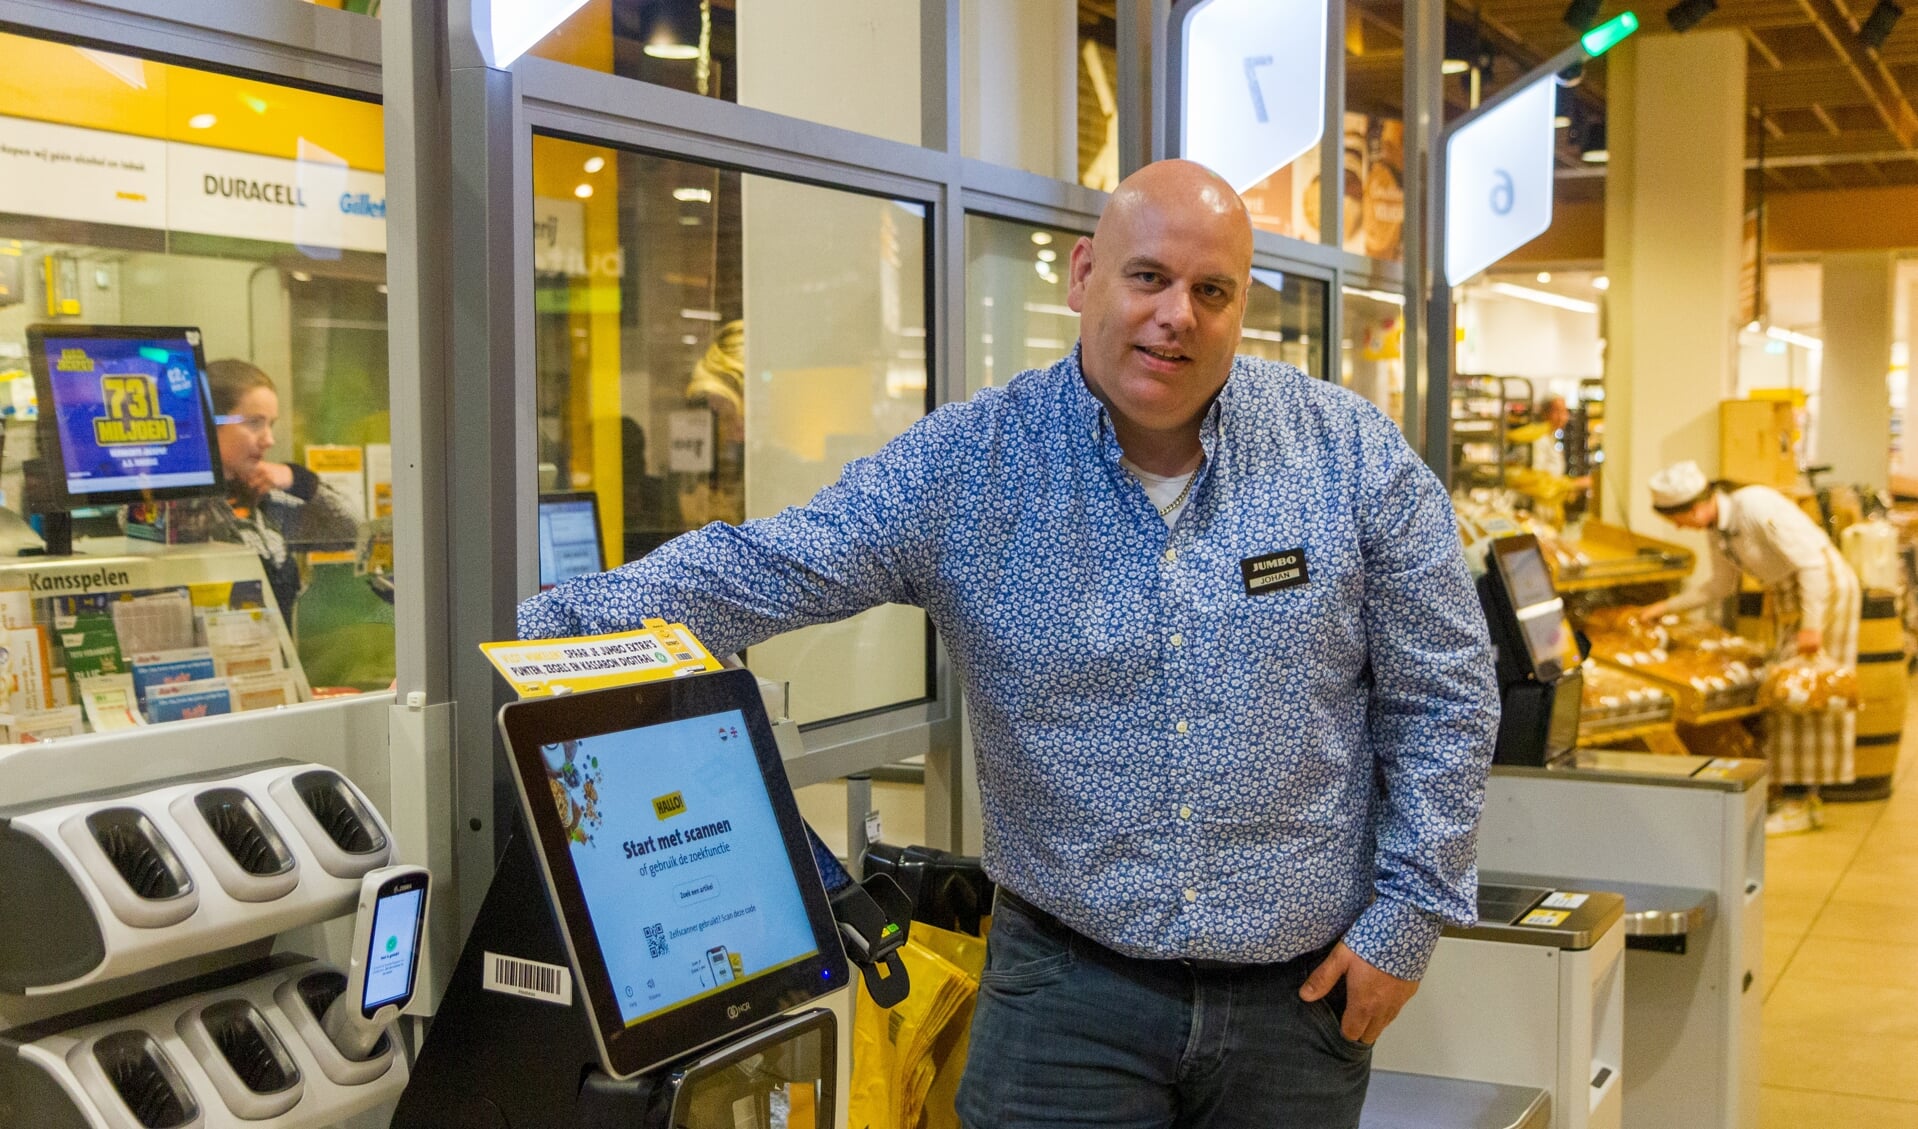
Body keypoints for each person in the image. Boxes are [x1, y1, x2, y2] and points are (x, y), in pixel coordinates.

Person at [519, 159, 1499, 1127]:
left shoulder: (1347, 454)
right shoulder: (970, 469)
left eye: (1212, 291)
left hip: (1298, 1011)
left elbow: (1445, 694)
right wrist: (544, 628)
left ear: (1241, 307)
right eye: (1147, 277)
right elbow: (770, 565)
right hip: (1066, 1003)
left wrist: (1406, 921)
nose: (1176, 315)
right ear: (1083, 276)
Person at [1639, 460, 1860, 833]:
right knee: (1787, 694)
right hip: (1791, 596)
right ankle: (1800, 794)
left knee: (1801, 695)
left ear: (1694, 507)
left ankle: (1800, 802)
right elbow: (1720, 586)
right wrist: (1662, 609)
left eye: (1677, 520)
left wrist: (1811, 627)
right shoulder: (1719, 530)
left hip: (1823, 592)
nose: (1679, 528)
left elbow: (1811, 565)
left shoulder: (1754, 505)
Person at [171, 359, 360, 625]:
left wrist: (299, 480)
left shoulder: (265, 498)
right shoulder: (168, 505)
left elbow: (353, 531)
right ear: (208, 423)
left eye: (271, 424)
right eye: (254, 423)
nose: (268, 439)